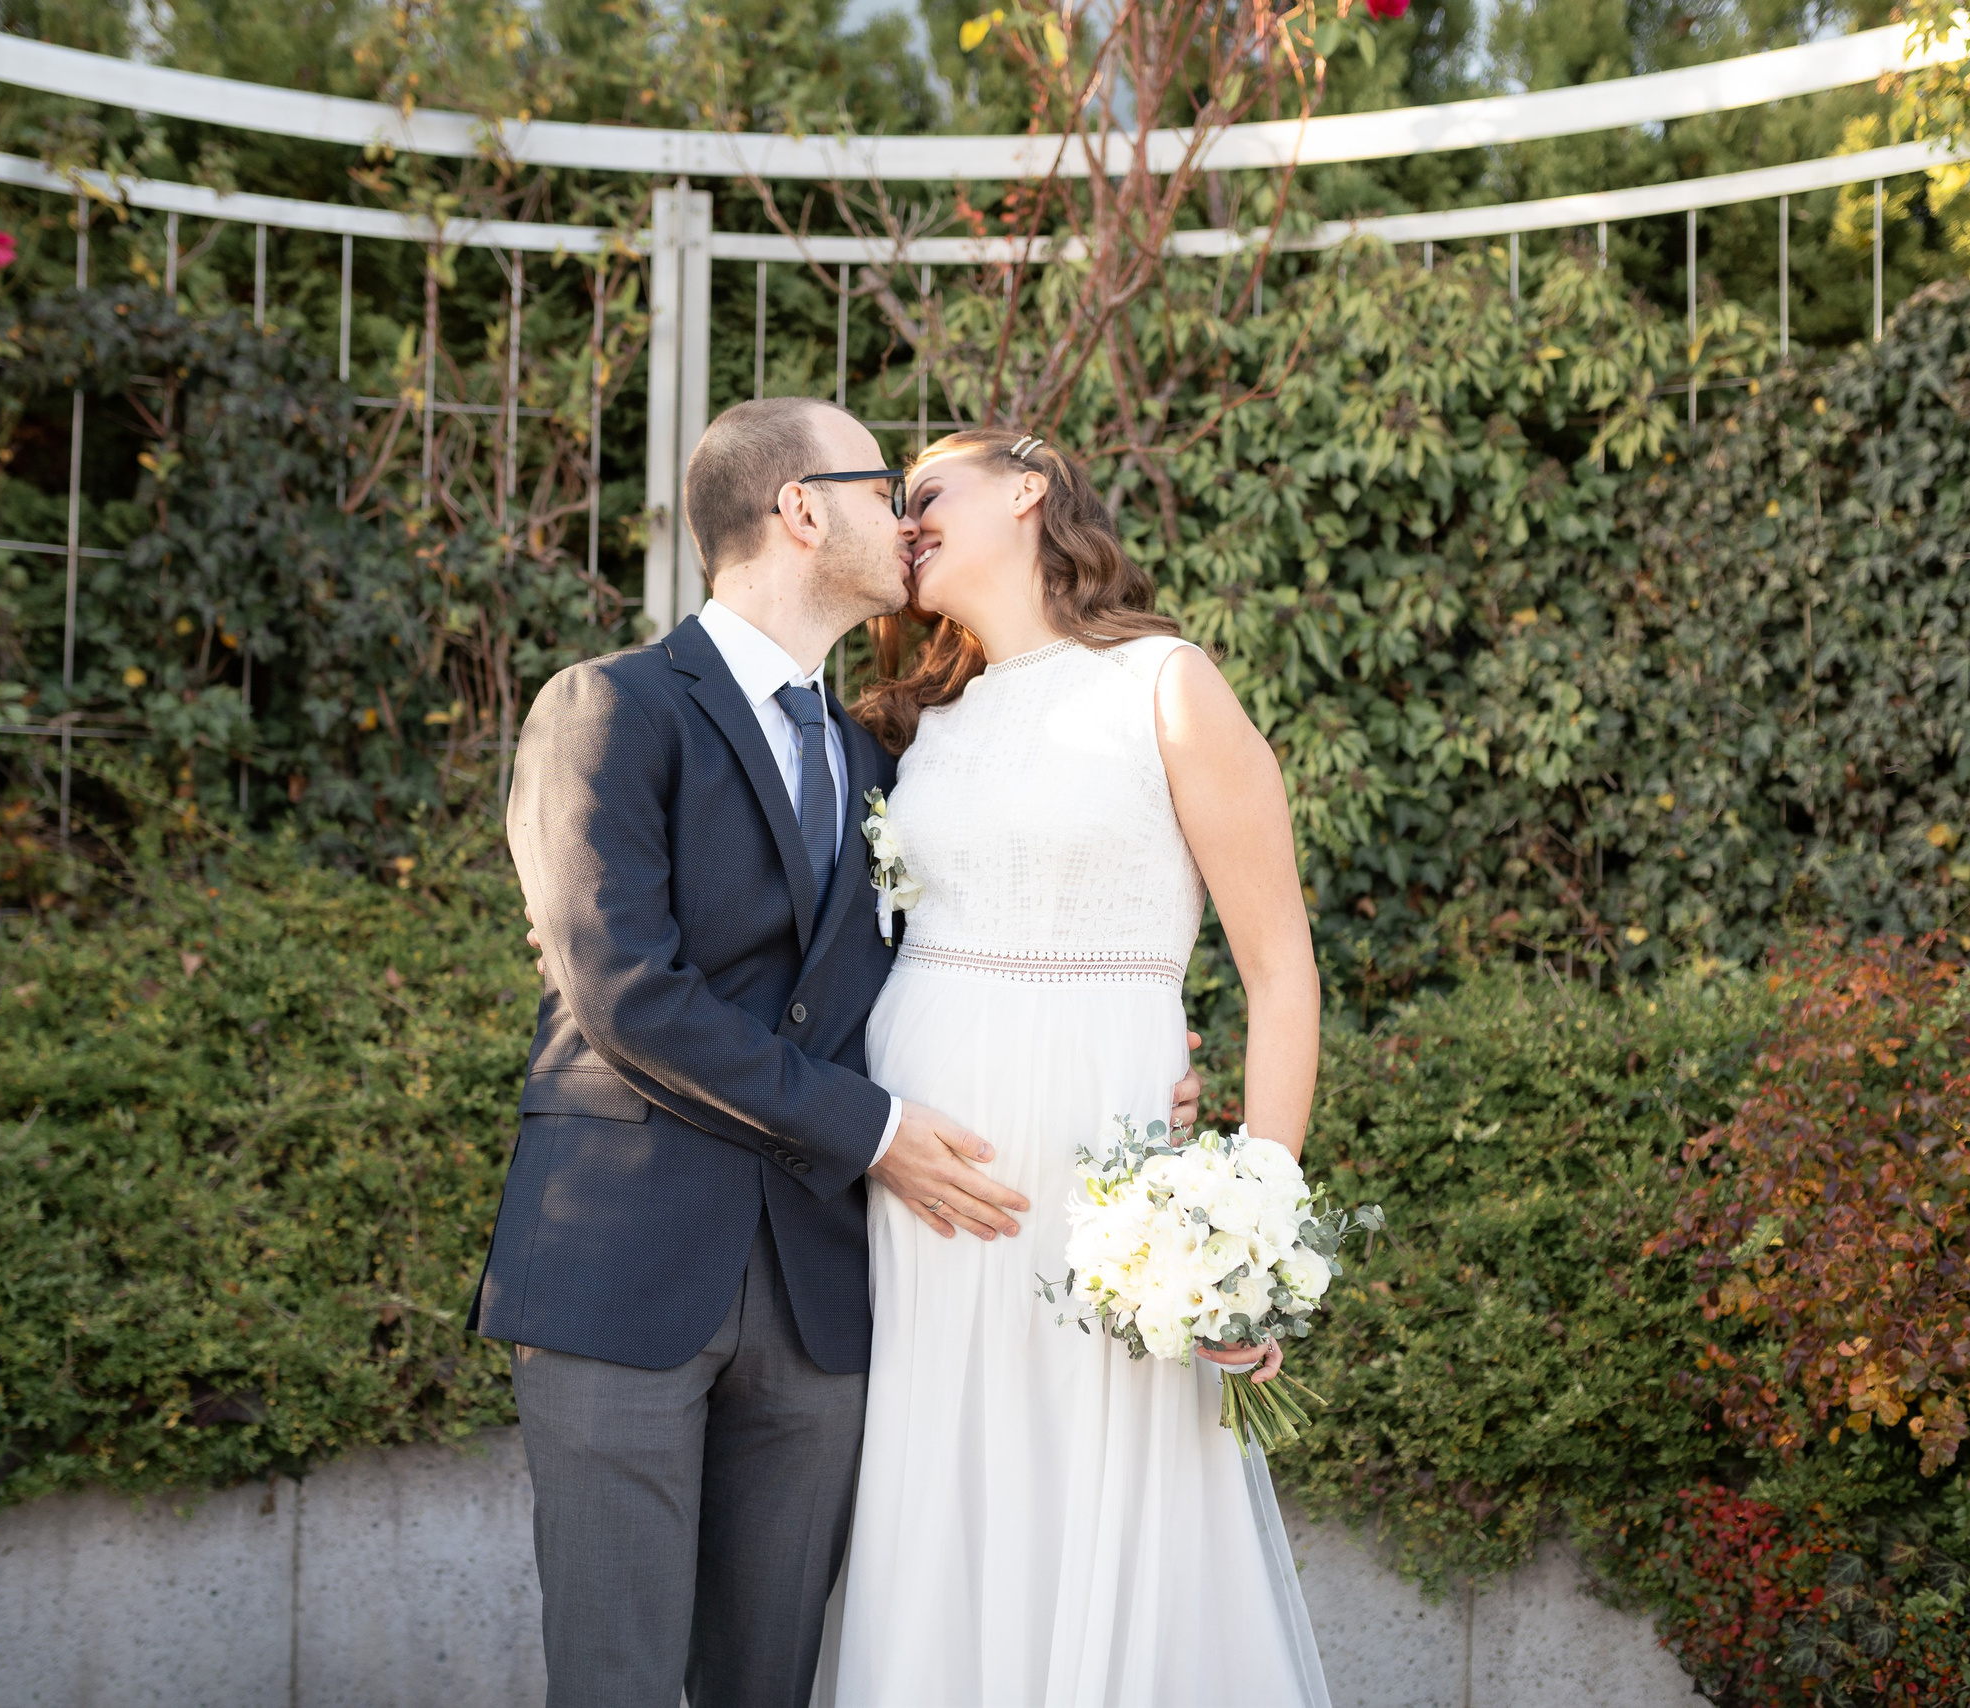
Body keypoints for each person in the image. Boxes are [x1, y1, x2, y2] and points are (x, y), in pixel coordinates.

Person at [471, 397, 1203, 1708]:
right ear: (802, 511)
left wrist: (1133, 1053)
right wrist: (871, 1133)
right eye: (886, 489)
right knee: (617, 1680)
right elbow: (626, 993)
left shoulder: (882, 759)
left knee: (776, 1684)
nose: (908, 521)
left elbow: (948, 965)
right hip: (625, 1266)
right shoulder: (609, 709)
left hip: (823, 1297)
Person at [817, 429, 1332, 1706]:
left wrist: (1249, 1232)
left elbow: (1280, 973)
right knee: (944, 1480)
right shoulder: (913, 722)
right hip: (925, 1184)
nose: (906, 520)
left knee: (1109, 1486)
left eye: (926, 491)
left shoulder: (1162, 681)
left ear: (1029, 487)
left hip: (1104, 1184)